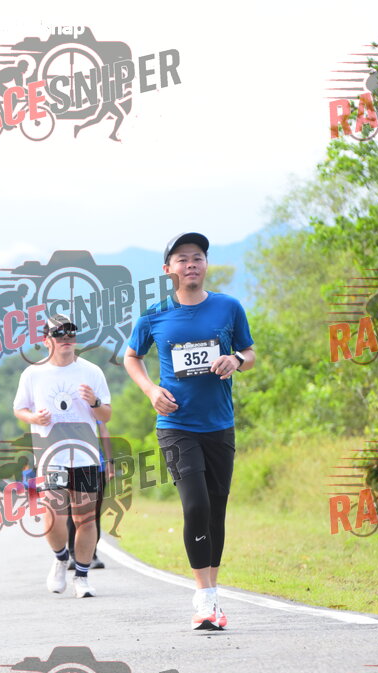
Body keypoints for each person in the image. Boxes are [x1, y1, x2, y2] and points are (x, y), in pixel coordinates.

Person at [124, 232, 255, 630]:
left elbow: (249, 353)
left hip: (220, 425)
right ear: (169, 269)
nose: (191, 264)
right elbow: (132, 357)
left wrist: (235, 360)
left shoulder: (228, 307)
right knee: (195, 505)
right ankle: (203, 598)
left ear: (206, 264)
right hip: (176, 425)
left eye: (197, 257)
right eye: (182, 259)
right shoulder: (154, 314)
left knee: (216, 508)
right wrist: (151, 390)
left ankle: (212, 595)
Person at [13, 314, 111, 598]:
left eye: (71, 333)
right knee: (53, 516)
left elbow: (106, 414)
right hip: (50, 456)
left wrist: (94, 401)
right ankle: (60, 558)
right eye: (59, 334)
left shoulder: (91, 371)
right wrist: (34, 418)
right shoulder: (33, 374)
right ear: (46, 340)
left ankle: (82, 576)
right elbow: (19, 408)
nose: (66, 338)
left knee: (85, 520)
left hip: (85, 457)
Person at [68, 420, 116, 570]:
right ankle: (73, 555)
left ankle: (91, 555)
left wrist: (110, 462)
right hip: (67, 465)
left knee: (93, 513)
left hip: (95, 465)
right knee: (71, 511)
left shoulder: (91, 407)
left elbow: (103, 431)